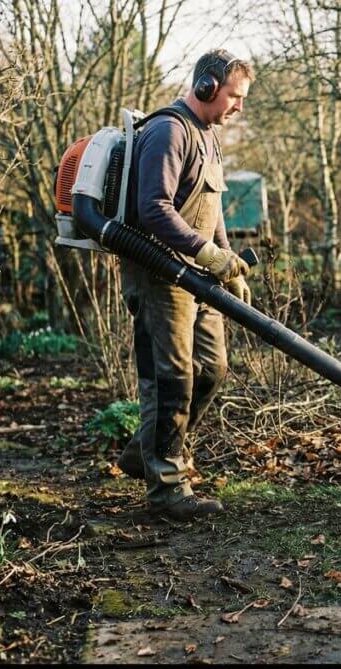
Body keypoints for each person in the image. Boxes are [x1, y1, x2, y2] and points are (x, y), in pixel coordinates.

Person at [116, 49, 254, 520]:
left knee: (212, 369)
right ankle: (167, 490)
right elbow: (153, 208)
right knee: (172, 379)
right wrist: (207, 253)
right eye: (234, 96)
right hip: (160, 273)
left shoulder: (208, 137)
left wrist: (227, 262)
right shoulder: (169, 131)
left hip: (197, 273)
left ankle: (146, 452)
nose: (238, 107)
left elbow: (212, 209)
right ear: (206, 86)